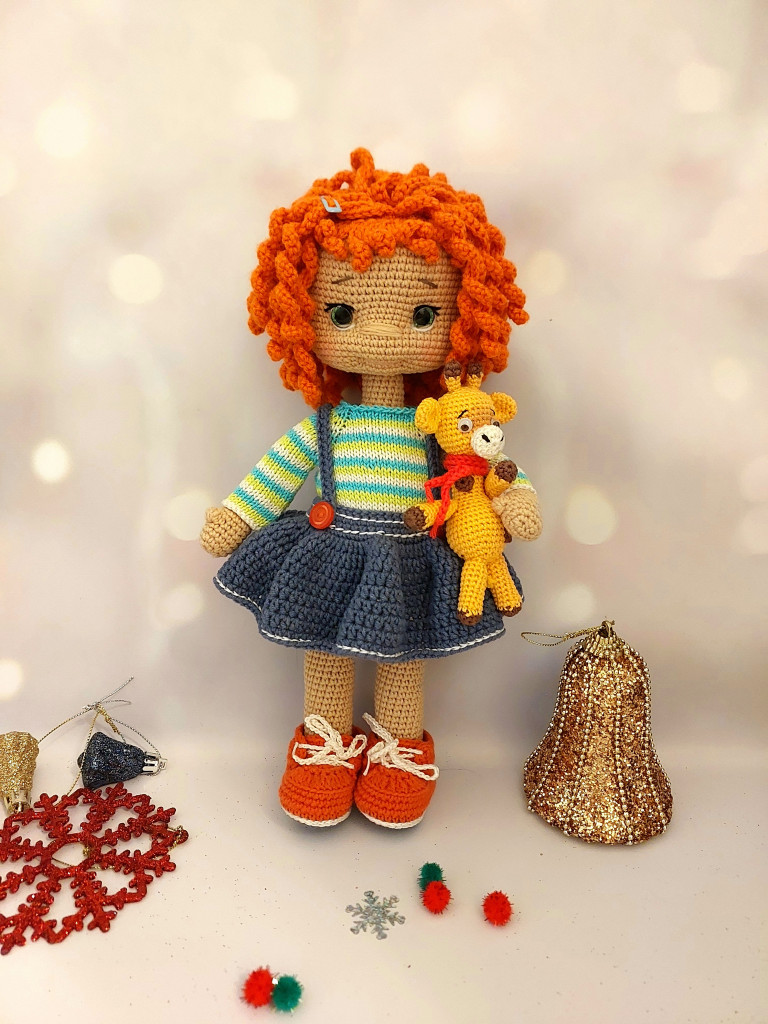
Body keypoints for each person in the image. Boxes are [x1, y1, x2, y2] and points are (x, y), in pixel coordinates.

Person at [200, 148, 542, 830]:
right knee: (324, 651)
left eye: (421, 316)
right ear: (303, 314)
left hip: (411, 555)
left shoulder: (444, 421)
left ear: (462, 316)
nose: (382, 335)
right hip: (333, 551)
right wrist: (238, 514)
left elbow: (488, 462)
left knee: (403, 658)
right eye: (342, 312)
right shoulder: (327, 425)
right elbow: (277, 472)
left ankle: (399, 749)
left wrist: (515, 496)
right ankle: (324, 743)